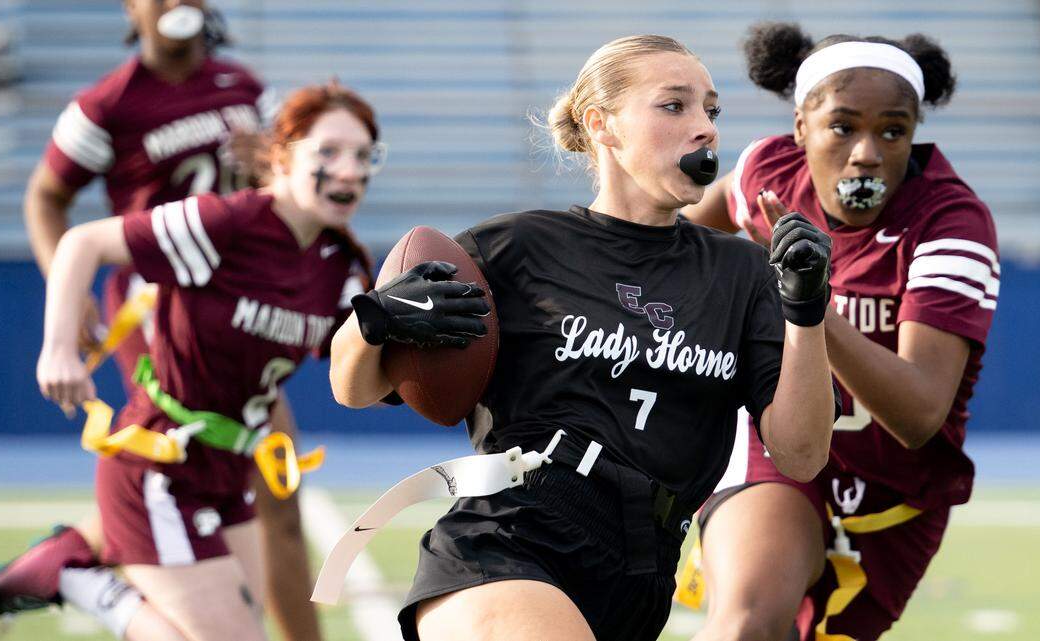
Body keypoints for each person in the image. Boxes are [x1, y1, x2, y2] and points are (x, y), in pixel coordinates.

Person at [327, 34, 838, 641]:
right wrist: (377, 319)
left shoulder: (744, 272)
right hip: (508, 543)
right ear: (603, 125)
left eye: (712, 110)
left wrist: (806, 312)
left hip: (641, 574)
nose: (704, 128)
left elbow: (802, 456)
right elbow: (352, 388)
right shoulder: (514, 248)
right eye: (675, 106)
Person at [0, 81, 380, 641]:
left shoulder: (340, 261)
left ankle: (71, 556)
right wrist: (59, 346)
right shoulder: (224, 224)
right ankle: (81, 580)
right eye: (327, 152)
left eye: (363, 154)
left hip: (229, 473)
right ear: (281, 156)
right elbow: (81, 244)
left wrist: (402, 327)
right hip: (159, 466)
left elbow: (354, 380)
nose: (349, 170)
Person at [682, 23, 998, 641]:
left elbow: (918, 413)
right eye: (843, 126)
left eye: (892, 131)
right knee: (746, 621)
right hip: (781, 448)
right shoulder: (768, 175)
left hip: (894, 491)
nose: (866, 153)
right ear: (801, 128)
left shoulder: (949, 225)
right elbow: (693, 230)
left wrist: (812, 306)